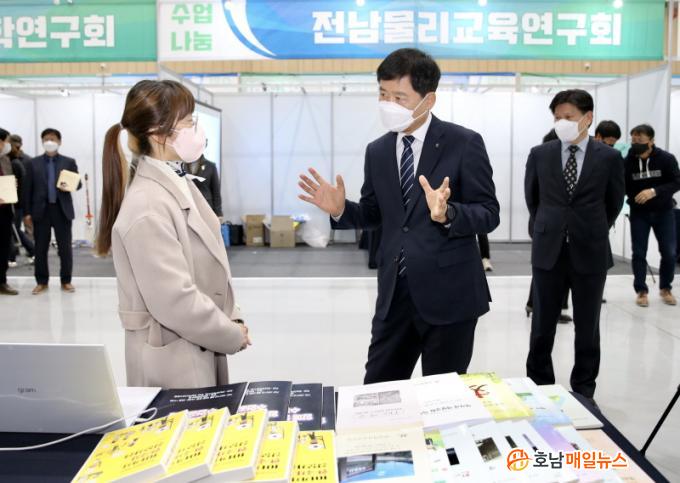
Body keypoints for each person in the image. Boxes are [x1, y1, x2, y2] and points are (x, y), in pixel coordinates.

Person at [298, 48, 500, 384]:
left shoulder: (463, 143)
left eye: (399, 97)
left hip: (450, 295)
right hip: (394, 296)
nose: (388, 104)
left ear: (428, 100)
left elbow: (488, 213)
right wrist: (341, 209)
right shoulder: (377, 150)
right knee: (378, 391)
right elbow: (375, 214)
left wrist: (448, 213)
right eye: (383, 94)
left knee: (441, 398)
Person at [96, 80, 251, 389]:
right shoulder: (147, 206)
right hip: (173, 359)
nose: (197, 130)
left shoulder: (178, 181)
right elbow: (175, 301)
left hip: (196, 343)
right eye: (189, 122)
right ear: (159, 134)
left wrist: (230, 317)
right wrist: (230, 334)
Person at [525, 89, 625, 403]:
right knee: (542, 326)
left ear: (587, 118)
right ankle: (539, 387)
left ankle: (583, 391)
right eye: (557, 117)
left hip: (590, 251)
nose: (562, 122)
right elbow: (533, 200)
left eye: (568, 117)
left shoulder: (609, 157)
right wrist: (549, 227)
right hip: (548, 251)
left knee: (588, 327)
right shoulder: (540, 154)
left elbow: (614, 202)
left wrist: (590, 229)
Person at [625, 124, 680, 307]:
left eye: (640, 140)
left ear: (651, 141)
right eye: (633, 140)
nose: (636, 143)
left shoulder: (666, 159)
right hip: (639, 214)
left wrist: (654, 191)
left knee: (669, 253)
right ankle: (641, 291)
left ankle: (666, 288)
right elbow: (622, 185)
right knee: (639, 253)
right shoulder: (628, 162)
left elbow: (676, 182)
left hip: (664, 212)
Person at [23, 128, 81, 294]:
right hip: (40, 211)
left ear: (59, 142)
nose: (49, 142)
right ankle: (41, 282)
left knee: (65, 248)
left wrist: (69, 184)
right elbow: (27, 189)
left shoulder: (68, 162)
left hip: (62, 210)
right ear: (42, 142)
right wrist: (27, 213)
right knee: (40, 248)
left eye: (53, 139)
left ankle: (66, 281)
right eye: (46, 139)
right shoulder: (32, 163)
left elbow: (78, 184)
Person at [525, 129, 571, 324]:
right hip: (547, 225)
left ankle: (536, 305)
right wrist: (542, 220)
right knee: (550, 269)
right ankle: (541, 307)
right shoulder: (541, 160)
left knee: (547, 267)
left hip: (546, 224)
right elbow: (532, 196)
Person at [0, 128, 24, 295]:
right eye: (6, 141)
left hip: (5, 211)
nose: (8, 145)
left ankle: (2, 281)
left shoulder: (6, 160)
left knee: (3, 248)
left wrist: (12, 185)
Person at [7, 134, 34, 266]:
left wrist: (26, 205)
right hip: (14, 201)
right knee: (14, 229)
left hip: (18, 202)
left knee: (16, 229)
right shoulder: (11, 161)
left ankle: (31, 251)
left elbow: (26, 185)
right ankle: (15, 254)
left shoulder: (19, 162)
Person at [182, 154, 224, 221]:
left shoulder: (210, 166)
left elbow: (216, 191)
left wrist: (219, 213)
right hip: (188, 206)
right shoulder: (182, 165)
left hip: (206, 206)